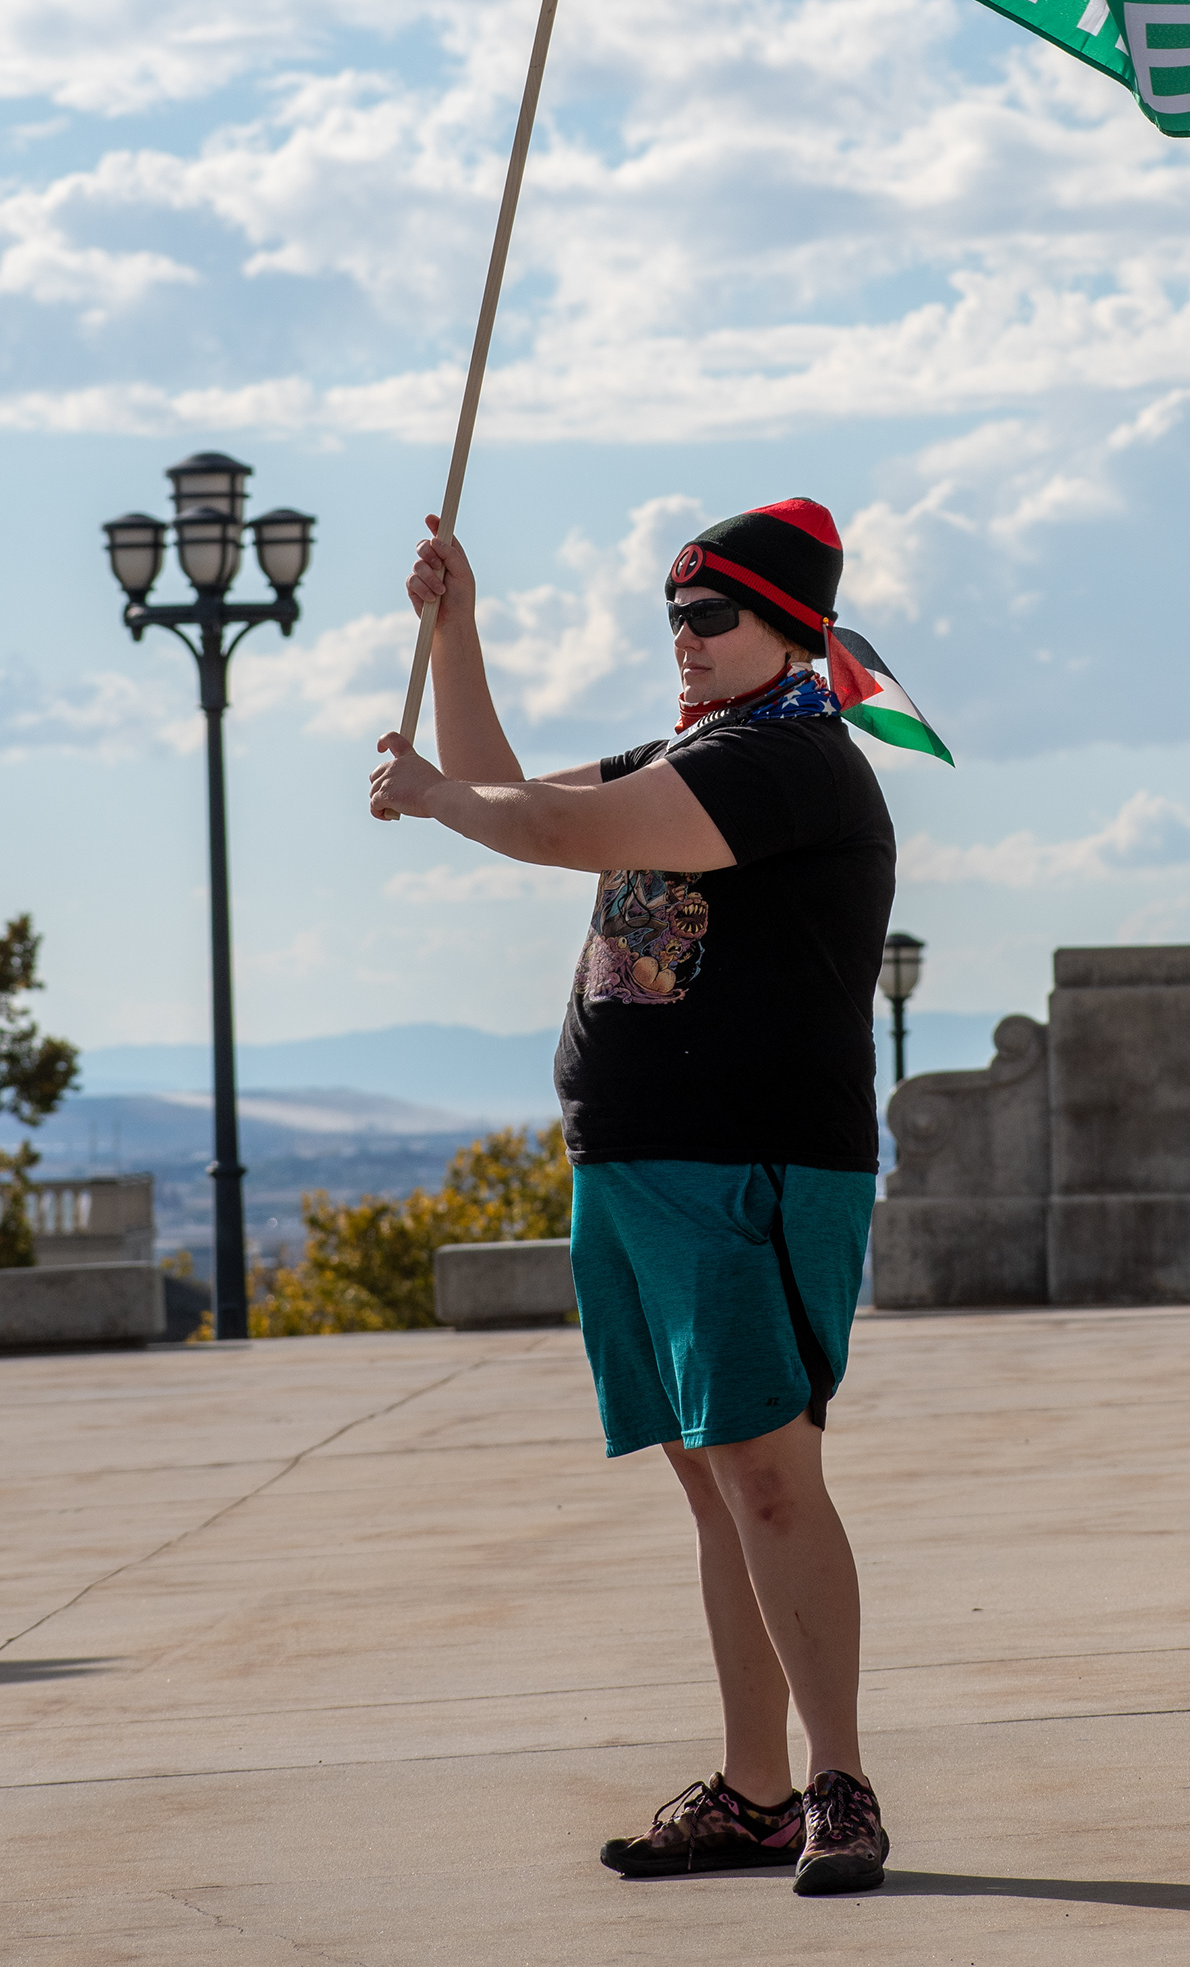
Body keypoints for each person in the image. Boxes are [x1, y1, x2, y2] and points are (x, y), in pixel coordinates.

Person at [370, 496, 894, 1896]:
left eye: (711, 616)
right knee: (718, 1492)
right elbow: (524, 791)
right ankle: (755, 1789)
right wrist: (457, 635)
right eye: (674, 618)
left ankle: (838, 1786)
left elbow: (547, 827)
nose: (686, 639)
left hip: (750, 1171)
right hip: (639, 1174)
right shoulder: (702, 747)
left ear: (792, 631)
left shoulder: (794, 764)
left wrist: (434, 796)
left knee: (772, 1482)